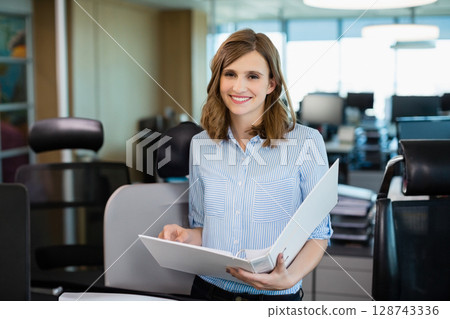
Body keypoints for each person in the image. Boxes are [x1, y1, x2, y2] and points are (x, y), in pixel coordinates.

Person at [158, 28, 332, 301]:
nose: (239, 87)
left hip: (274, 298)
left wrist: (290, 276)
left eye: (252, 76)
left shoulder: (306, 142)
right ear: (218, 80)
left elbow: (319, 233)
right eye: (230, 74)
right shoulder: (202, 144)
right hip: (208, 293)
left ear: (271, 84)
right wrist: (184, 237)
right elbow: (205, 228)